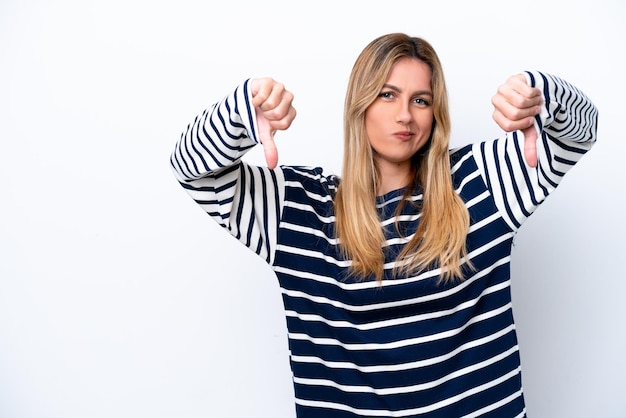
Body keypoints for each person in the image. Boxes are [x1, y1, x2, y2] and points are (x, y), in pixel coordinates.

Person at [170, 33, 598, 417]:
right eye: (387, 94)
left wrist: (543, 95)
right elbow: (190, 169)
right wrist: (240, 112)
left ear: (435, 113)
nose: (405, 116)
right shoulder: (300, 211)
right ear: (361, 104)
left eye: (420, 100)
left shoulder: (480, 184)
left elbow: (579, 134)